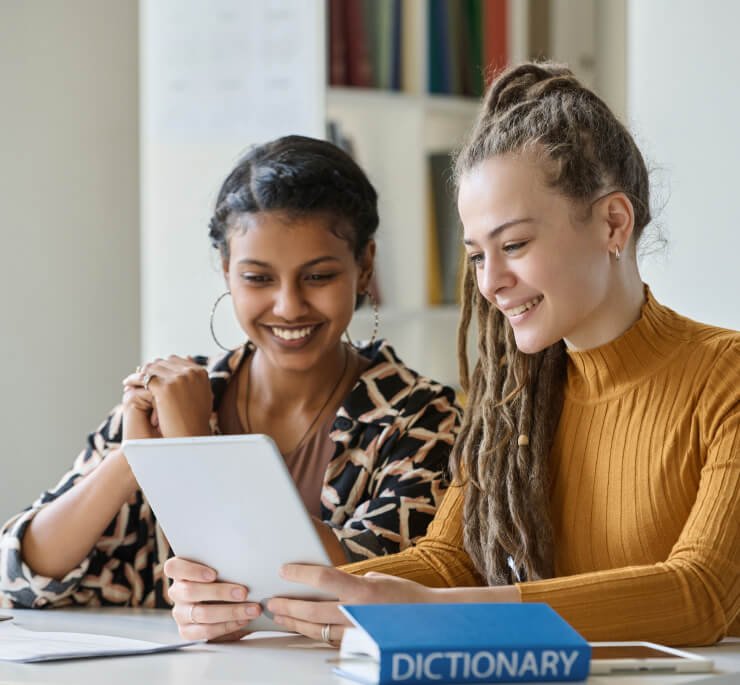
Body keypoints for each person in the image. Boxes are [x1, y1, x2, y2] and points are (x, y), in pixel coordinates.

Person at [165, 63, 739, 646]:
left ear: (613, 222)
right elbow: (446, 563)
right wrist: (254, 598)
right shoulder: (514, 399)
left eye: (513, 244)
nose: (491, 283)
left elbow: (701, 594)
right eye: (477, 256)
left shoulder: (726, 378)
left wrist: (447, 614)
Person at [0, 136, 461, 619]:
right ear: (226, 271)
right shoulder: (172, 398)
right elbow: (21, 576)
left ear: (364, 266)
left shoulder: (422, 418)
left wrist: (196, 449)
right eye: (258, 278)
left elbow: (368, 585)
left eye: (318, 276)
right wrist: (138, 458)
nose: (288, 306)